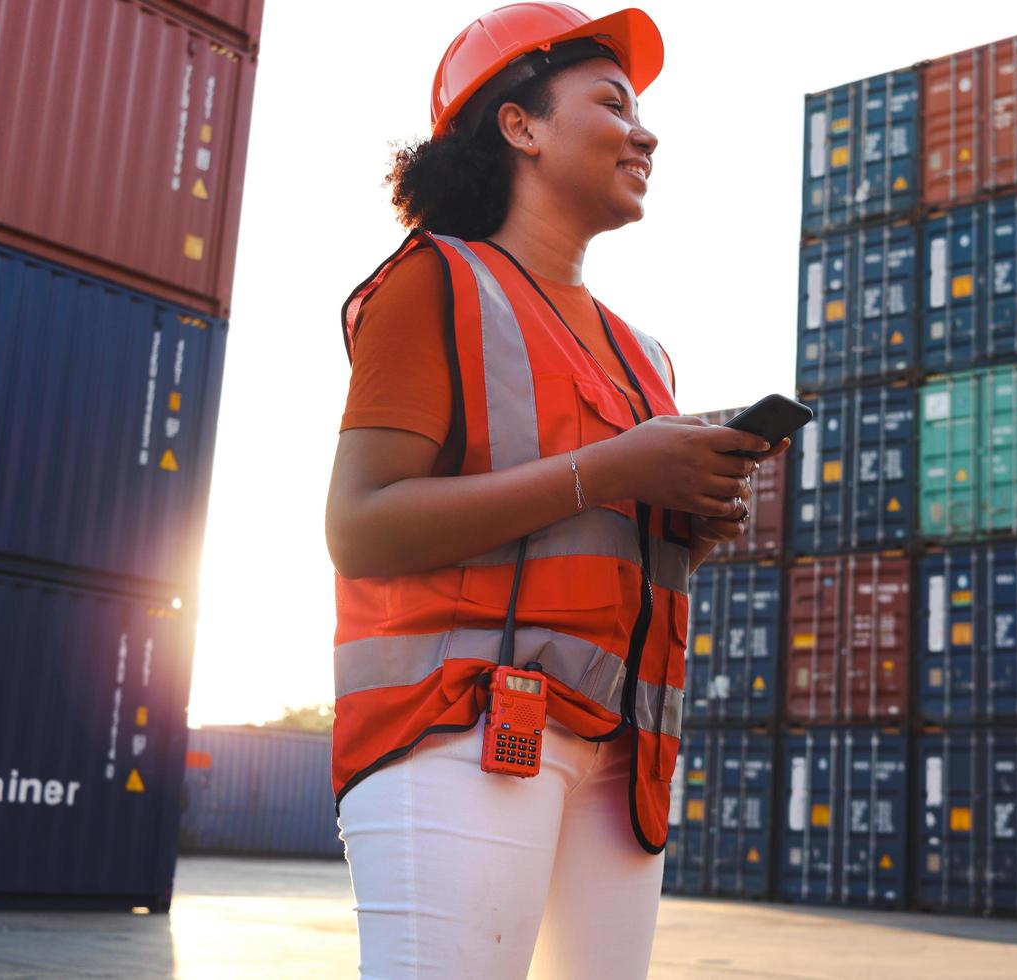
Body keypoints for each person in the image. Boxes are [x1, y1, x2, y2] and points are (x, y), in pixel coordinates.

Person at [323, 6, 786, 978]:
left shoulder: (645, 355)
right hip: (457, 731)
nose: (646, 130)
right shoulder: (434, 282)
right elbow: (359, 527)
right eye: (612, 101)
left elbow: (583, 544)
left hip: (624, 756)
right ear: (518, 124)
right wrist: (617, 467)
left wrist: (684, 521)